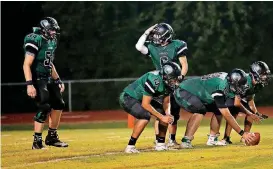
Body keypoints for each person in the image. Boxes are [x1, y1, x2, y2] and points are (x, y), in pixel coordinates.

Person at [173, 69, 258, 148]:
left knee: (218, 110)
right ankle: (186, 141)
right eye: (239, 85)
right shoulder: (221, 87)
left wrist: (249, 113)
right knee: (200, 110)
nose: (241, 88)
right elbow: (227, 115)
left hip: (199, 93)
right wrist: (242, 133)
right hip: (184, 91)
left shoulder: (228, 81)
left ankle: (212, 139)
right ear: (233, 82)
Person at [135, 23, 189, 147]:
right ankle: (159, 139)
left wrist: (180, 78)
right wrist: (146, 32)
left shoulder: (177, 45)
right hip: (160, 82)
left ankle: (172, 139)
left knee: (174, 112)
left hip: (174, 81)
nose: (155, 38)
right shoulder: (153, 47)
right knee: (159, 111)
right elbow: (138, 46)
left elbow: (184, 65)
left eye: (157, 35)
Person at [23, 17, 68, 149]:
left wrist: (58, 79)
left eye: (55, 30)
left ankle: (52, 137)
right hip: (37, 77)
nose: (53, 33)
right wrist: (29, 84)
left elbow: (49, 63)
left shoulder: (52, 41)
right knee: (44, 106)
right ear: (43, 30)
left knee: (59, 104)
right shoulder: (35, 39)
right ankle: (37, 142)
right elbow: (26, 64)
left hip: (47, 76)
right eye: (51, 30)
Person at [119, 62, 181, 153]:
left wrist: (167, 114)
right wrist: (162, 117)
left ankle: (160, 144)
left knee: (164, 113)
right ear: (165, 76)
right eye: (173, 78)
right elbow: (145, 104)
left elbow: (166, 102)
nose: (175, 81)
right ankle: (130, 146)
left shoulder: (168, 84)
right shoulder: (154, 80)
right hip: (128, 97)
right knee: (145, 116)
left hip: (141, 99)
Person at [208, 61, 271, 145]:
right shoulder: (245, 81)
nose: (265, 77)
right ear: (255, 74)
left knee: (251, 113)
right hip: (229, 96)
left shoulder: (258, 85)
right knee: (233, 111)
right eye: (263, 74)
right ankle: (226, 138)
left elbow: (250, 99)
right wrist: (250, 113)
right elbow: (236, 103)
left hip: (238, 99)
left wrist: (255, 113)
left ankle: (245, 137)